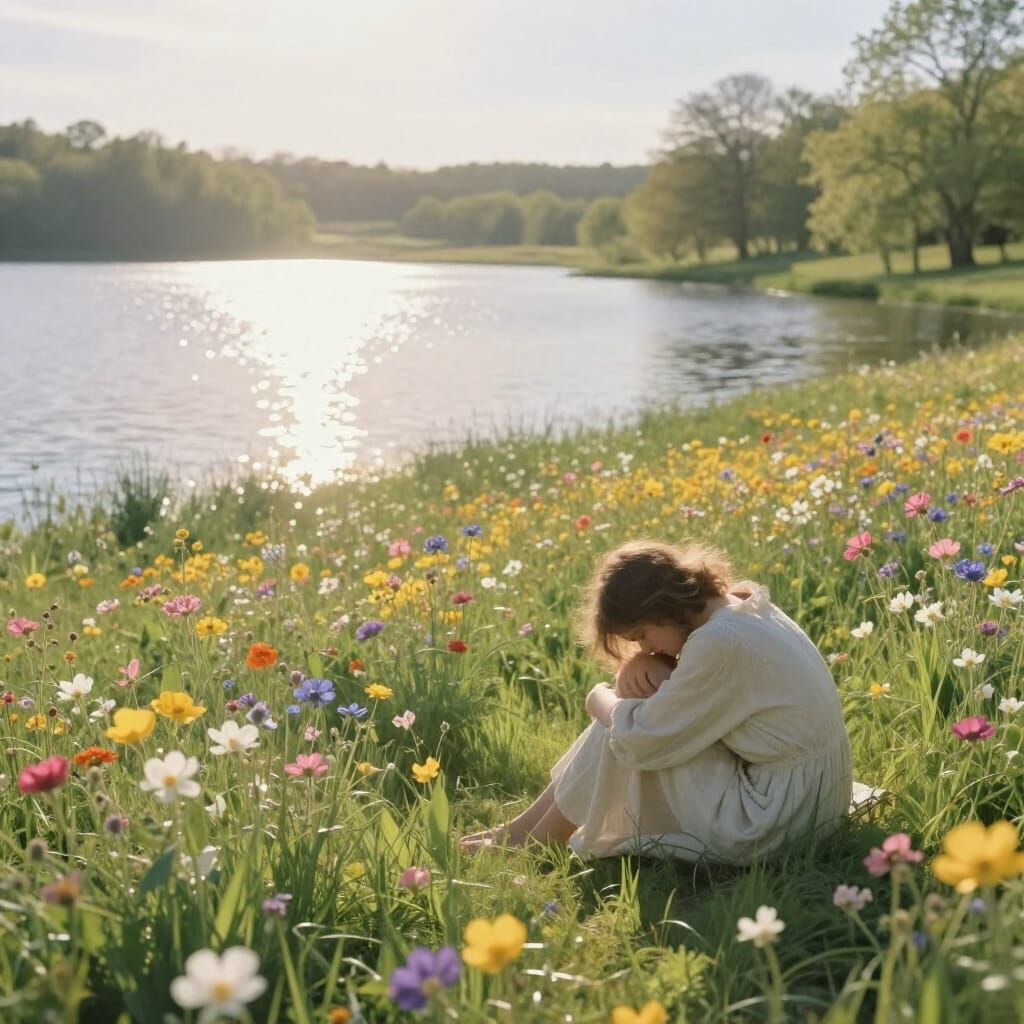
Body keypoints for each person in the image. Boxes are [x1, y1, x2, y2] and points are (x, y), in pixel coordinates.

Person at [460, 539, 854, 863]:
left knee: (626, 726)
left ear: (661, 609)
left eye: (640, 635)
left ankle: (538, 837)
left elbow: (642, 740)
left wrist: (598, 697)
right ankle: (526, 829)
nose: (644, 648)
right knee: (630, 718)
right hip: (815, 794)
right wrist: (642, 666)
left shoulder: (721, 642)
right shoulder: (741, 606)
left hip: (778, 820)